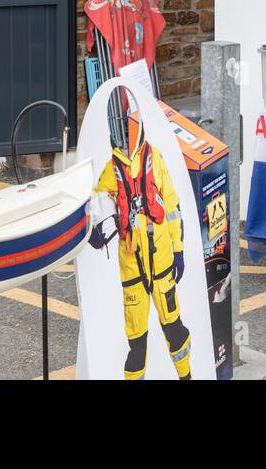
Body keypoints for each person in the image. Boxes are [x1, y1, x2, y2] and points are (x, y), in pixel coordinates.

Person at [87, 125, 192, 379]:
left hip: (162, 260)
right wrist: (93, 232)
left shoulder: (154, 157)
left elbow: (172, 206)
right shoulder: (111, 169)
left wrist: (178, 250)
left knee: (174, 328)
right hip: (132, 266)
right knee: (137, 343)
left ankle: (187, 376)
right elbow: (95, 207)